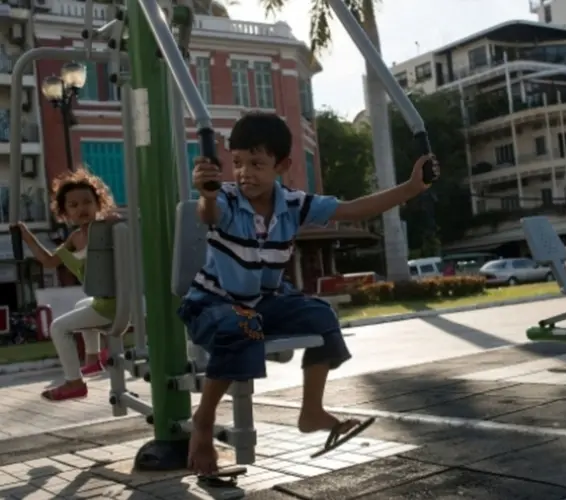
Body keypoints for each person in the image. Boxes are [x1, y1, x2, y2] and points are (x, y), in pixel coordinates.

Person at [179, 112, 439, 475]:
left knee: (322, 315)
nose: (244, 173)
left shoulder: (294, 204)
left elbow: (351, 210)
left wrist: (410, 189)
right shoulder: (225, 197)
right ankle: (203, 423)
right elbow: (208, 214)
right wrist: (205, 192)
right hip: (212, 304)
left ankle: (311, 411)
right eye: (237, 163)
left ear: (282, 165)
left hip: (264, 302)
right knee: (243, 325)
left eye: (257, 163)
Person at [13, 168, 120, 400]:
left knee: (58, 328)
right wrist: (26, 235)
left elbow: (124, 231)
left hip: (114, 304)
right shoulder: (75, 238)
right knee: (82, 303)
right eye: (73, 205)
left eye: (87, 202)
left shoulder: (107, 229)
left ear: (98, 204)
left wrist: (116, 222)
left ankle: (74, 383)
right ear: (65, 212)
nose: (81, 208)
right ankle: (92, 359)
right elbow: (49, 261)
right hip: (102, 300)